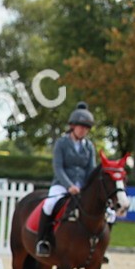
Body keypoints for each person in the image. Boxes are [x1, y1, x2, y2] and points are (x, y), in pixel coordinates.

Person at [37, 102, 97, 257]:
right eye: (80, 127)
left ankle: (97, 246)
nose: (83, 130)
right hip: (62, 185)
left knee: (104, 211)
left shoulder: (89, 146)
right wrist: (69, 186)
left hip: (83, 187)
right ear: (73, 126)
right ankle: (43, 240)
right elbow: (58, 168)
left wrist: (87, 187)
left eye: (86, 128)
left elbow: (91, 169)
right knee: (50, 204)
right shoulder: (62, 143)